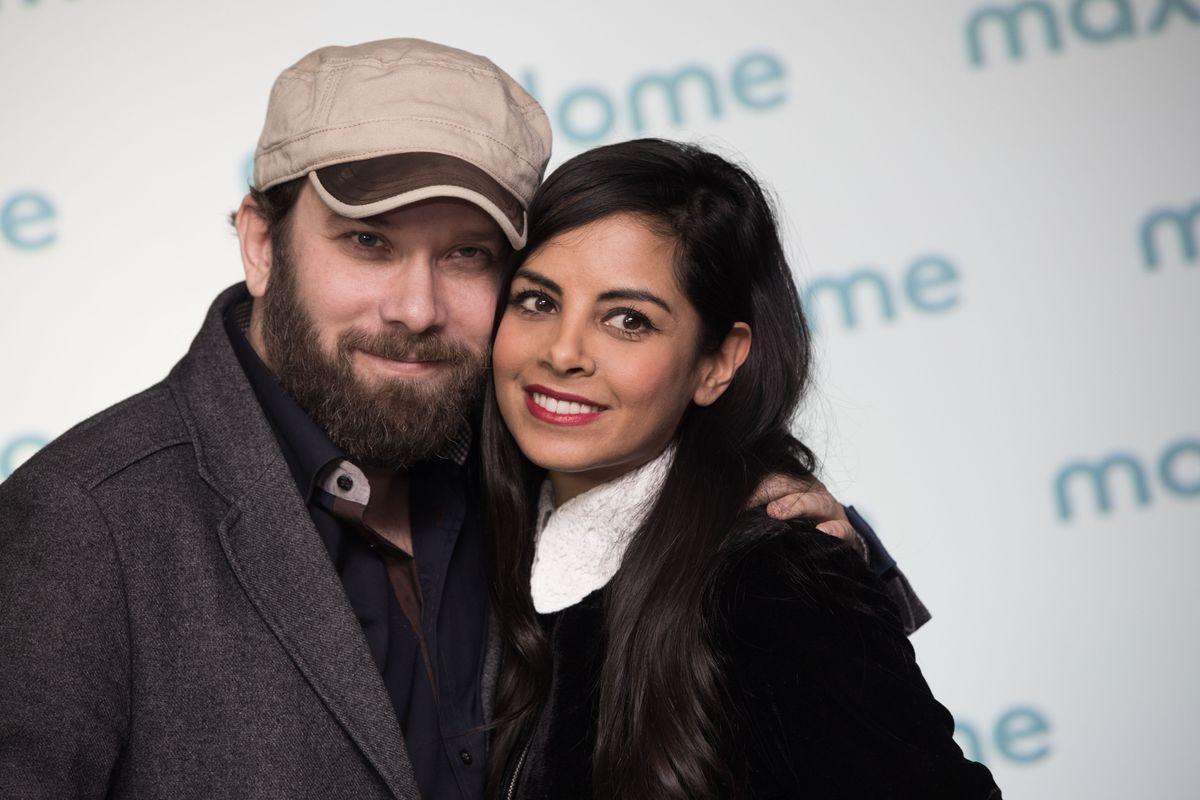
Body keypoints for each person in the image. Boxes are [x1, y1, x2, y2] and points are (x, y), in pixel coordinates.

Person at [0, 39, 919, 800]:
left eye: (469, 255)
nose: (414, 306)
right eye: (368, 241)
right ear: (259, 241)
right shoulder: (85, 523)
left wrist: (811, 545)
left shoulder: (524, 459)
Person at [483, 139, 1002, 799]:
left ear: (718, 362)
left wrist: (845, 577)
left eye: (628, 320)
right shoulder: (463, 535)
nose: (563, 352)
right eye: (538, 301)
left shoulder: (774, 581)